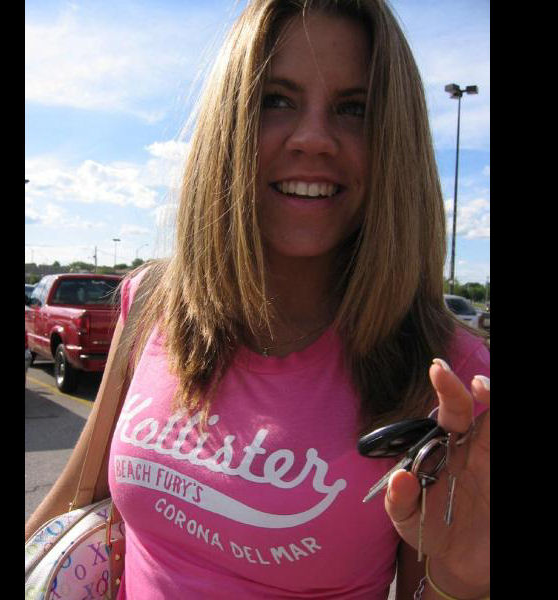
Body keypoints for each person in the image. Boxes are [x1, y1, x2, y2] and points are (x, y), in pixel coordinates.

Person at [25, 1, 490, 598]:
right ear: (230, 122)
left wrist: (464, 577)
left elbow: (440, 578)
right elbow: (76, 494)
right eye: (276, 99)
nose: (314, 138)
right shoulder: (153, 300)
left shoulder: (452, 377)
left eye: (355, 109)